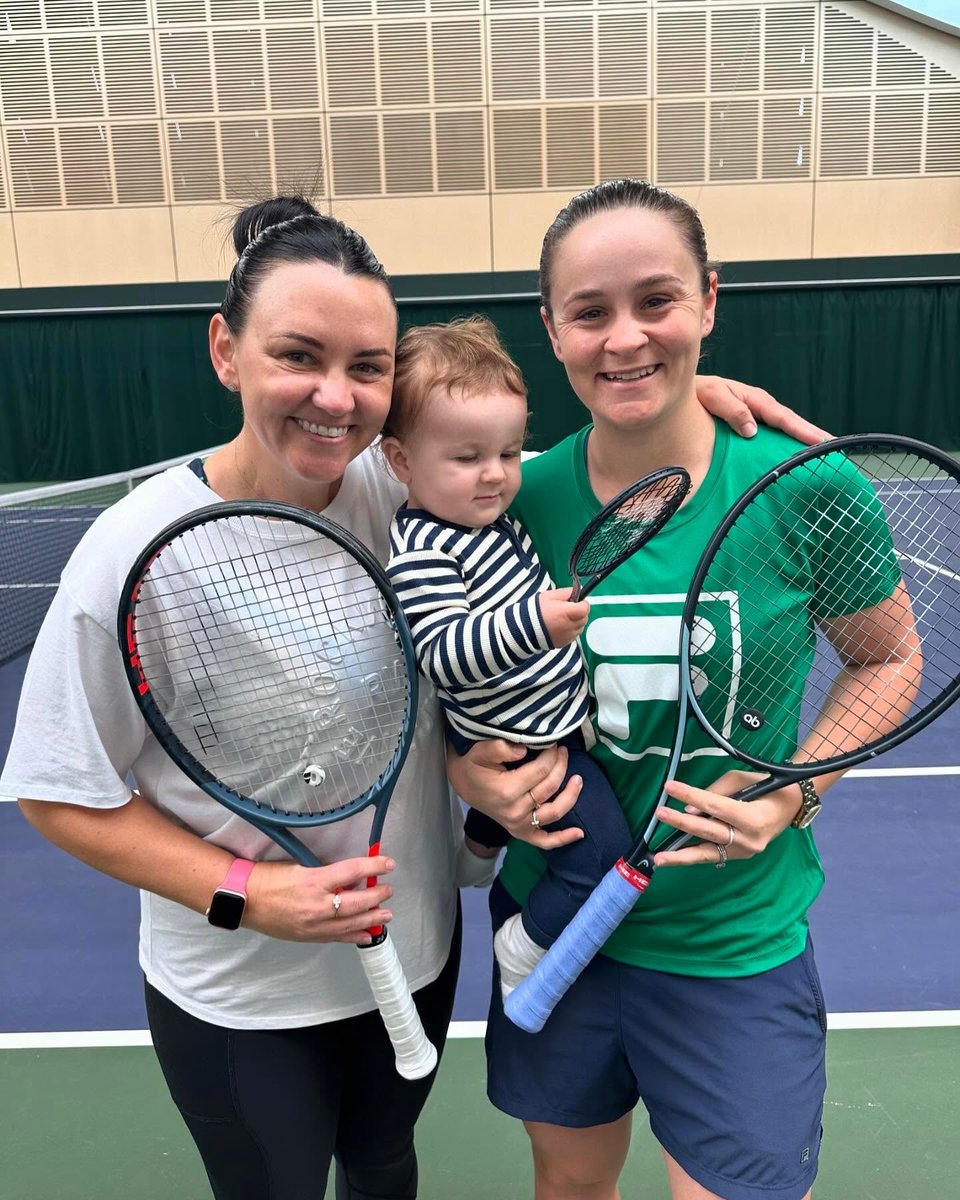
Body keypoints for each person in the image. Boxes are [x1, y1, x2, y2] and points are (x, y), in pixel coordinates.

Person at [0, 190, 827, 1200]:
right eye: (297, 356)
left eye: (367, 367)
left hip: (416, 948)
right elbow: (57, 792)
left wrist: (691, 390)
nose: (336, 398)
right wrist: (249, 895)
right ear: (225, 350)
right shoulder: (133, 554)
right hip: (246, 994)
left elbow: (535, 451)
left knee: (387, 1168)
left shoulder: (399, 488)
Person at [446, 178, 905, 1200]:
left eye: (656, 301)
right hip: (557, 931)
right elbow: (437, 665)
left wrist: (796, 794)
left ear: (708, 298)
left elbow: (887, 660)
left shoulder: (808, 487)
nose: (624, 339)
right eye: (590, 312)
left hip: (733, 944)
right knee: (570, 1184)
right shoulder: (509, 498)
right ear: (551, 331)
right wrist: (462, 772)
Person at [380, 315, 631, 997]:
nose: (495, 475)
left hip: (540, 720)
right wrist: (535, 623)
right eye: (467, 458)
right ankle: (525, 943)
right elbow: (444, 654)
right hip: (516, 740)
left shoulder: (490, 523)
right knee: (601, 853)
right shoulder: (426, 548)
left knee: (500, 813)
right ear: (401, 462)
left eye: (511, 452)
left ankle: (479, 848)